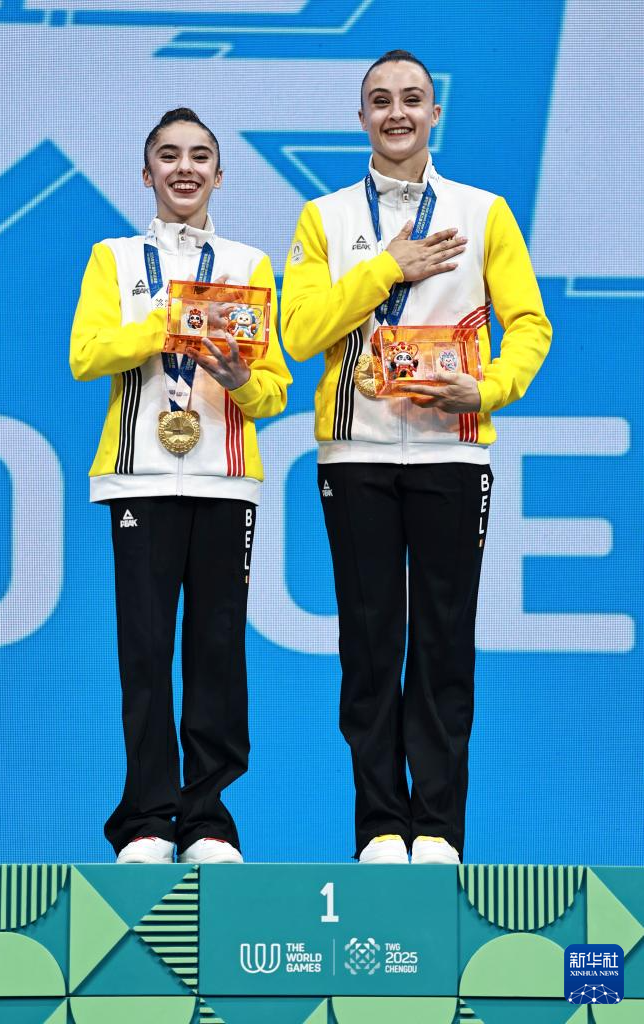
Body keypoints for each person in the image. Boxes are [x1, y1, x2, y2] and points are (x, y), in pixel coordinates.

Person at [281, 51, 551, 865]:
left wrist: (487, 388)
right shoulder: (323, 218)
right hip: (354, 453)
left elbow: (529, 324)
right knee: (369, 648)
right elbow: (299, 333)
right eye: (379, 100)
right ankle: (377, 827)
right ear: (360, 117)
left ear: (435, 112)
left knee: (442, 642)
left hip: (451, 454)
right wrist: (383, 270)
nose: (395, 112)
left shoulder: (484, 211)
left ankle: (435, 828)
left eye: (411, 98)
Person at [70, 108, 291, 864]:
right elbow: (85, 354)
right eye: (168, 155)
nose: (184, 167)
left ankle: (207, 821)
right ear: (147, 174)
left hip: (225, 480)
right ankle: (145, 820)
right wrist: (164, 326)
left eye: (199, 156)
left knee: (217, 652)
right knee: (145, 651)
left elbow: (273, 391)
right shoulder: (114, 259)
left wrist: (238, 376)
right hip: (137, 476)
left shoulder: (248, 266)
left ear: (219, 176)